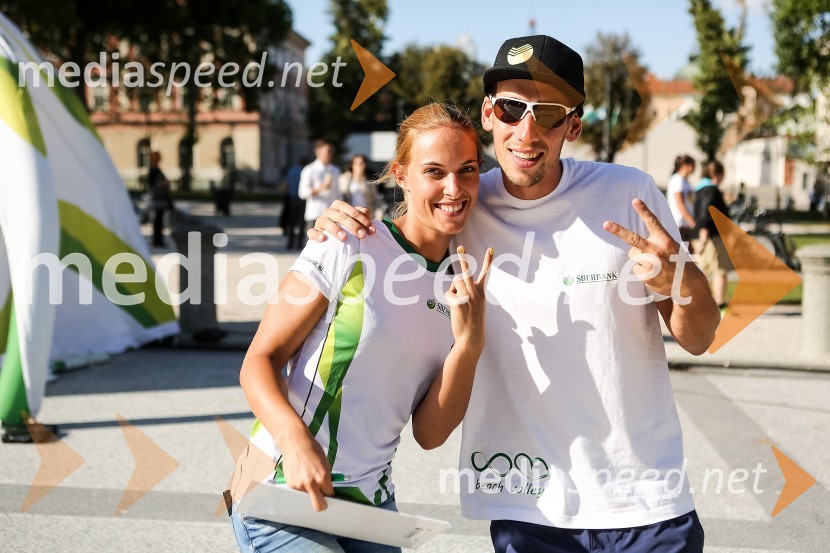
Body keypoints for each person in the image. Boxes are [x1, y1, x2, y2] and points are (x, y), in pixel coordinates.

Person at [310, 34, 720, 553]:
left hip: (645, 501)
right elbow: (397, 240)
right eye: (511, 108)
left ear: (573, 124)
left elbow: (700, 336)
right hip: (529, 506)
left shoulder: (629, 193)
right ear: (488, 115)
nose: (527, 130)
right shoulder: (462, 207)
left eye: (548, 113)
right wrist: (336, 225)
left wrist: (678, 278)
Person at [229, 103, 495, 553]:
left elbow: (430, 435)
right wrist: (294, 444)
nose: (454, 187)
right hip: (280, 489)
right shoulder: (347, 241)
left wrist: (468, 344)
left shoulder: (463, 282)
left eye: (467, 169)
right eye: (435, 171)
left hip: (369, 508)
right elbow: (259, 360)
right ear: (401, 175)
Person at [693, 161, 733, 307]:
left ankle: (703, 303)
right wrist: (704, 233)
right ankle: (720, 302)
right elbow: (706, 212)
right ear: (719, 174)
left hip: (705, 235)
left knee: (703, 269)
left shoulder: (700, 189)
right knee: (720, 270)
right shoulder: (711, 190)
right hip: (712, 236)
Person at [299, 140, 342, 235]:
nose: (330, 154)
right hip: (315, 214)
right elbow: (302, 193)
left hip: (332, 215)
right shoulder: (309, 170)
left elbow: (338, 194)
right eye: (327, 151)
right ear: (318, 152)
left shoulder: (335, 170)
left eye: (331, 151)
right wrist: (321, 188)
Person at [282, 157, 311, 250]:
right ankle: (299, 243)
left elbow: (286, 184)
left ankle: (290, 243)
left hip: (292, 198)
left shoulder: (292, 170)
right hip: (302, 199)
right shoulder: (307, 171)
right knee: (301, 222)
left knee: (292, 221)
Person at [667, 154, 697, 244]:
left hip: (685, 225)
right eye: (693, 165)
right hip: (680, 225)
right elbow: (680, 204)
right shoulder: (678, 180)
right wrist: (692, 223)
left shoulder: (685, 181)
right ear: (686, 165)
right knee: (682, 256)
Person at [148, 151, 173, 248]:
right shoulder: (153, 170)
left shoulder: (156, 169)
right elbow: (153, 184)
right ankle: (157, 241)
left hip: (161, 199)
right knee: (158, 221)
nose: (160, 158)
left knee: (159, 221)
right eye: (157, 157)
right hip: (157, 199)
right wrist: (165, 183)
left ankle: (158, 240)